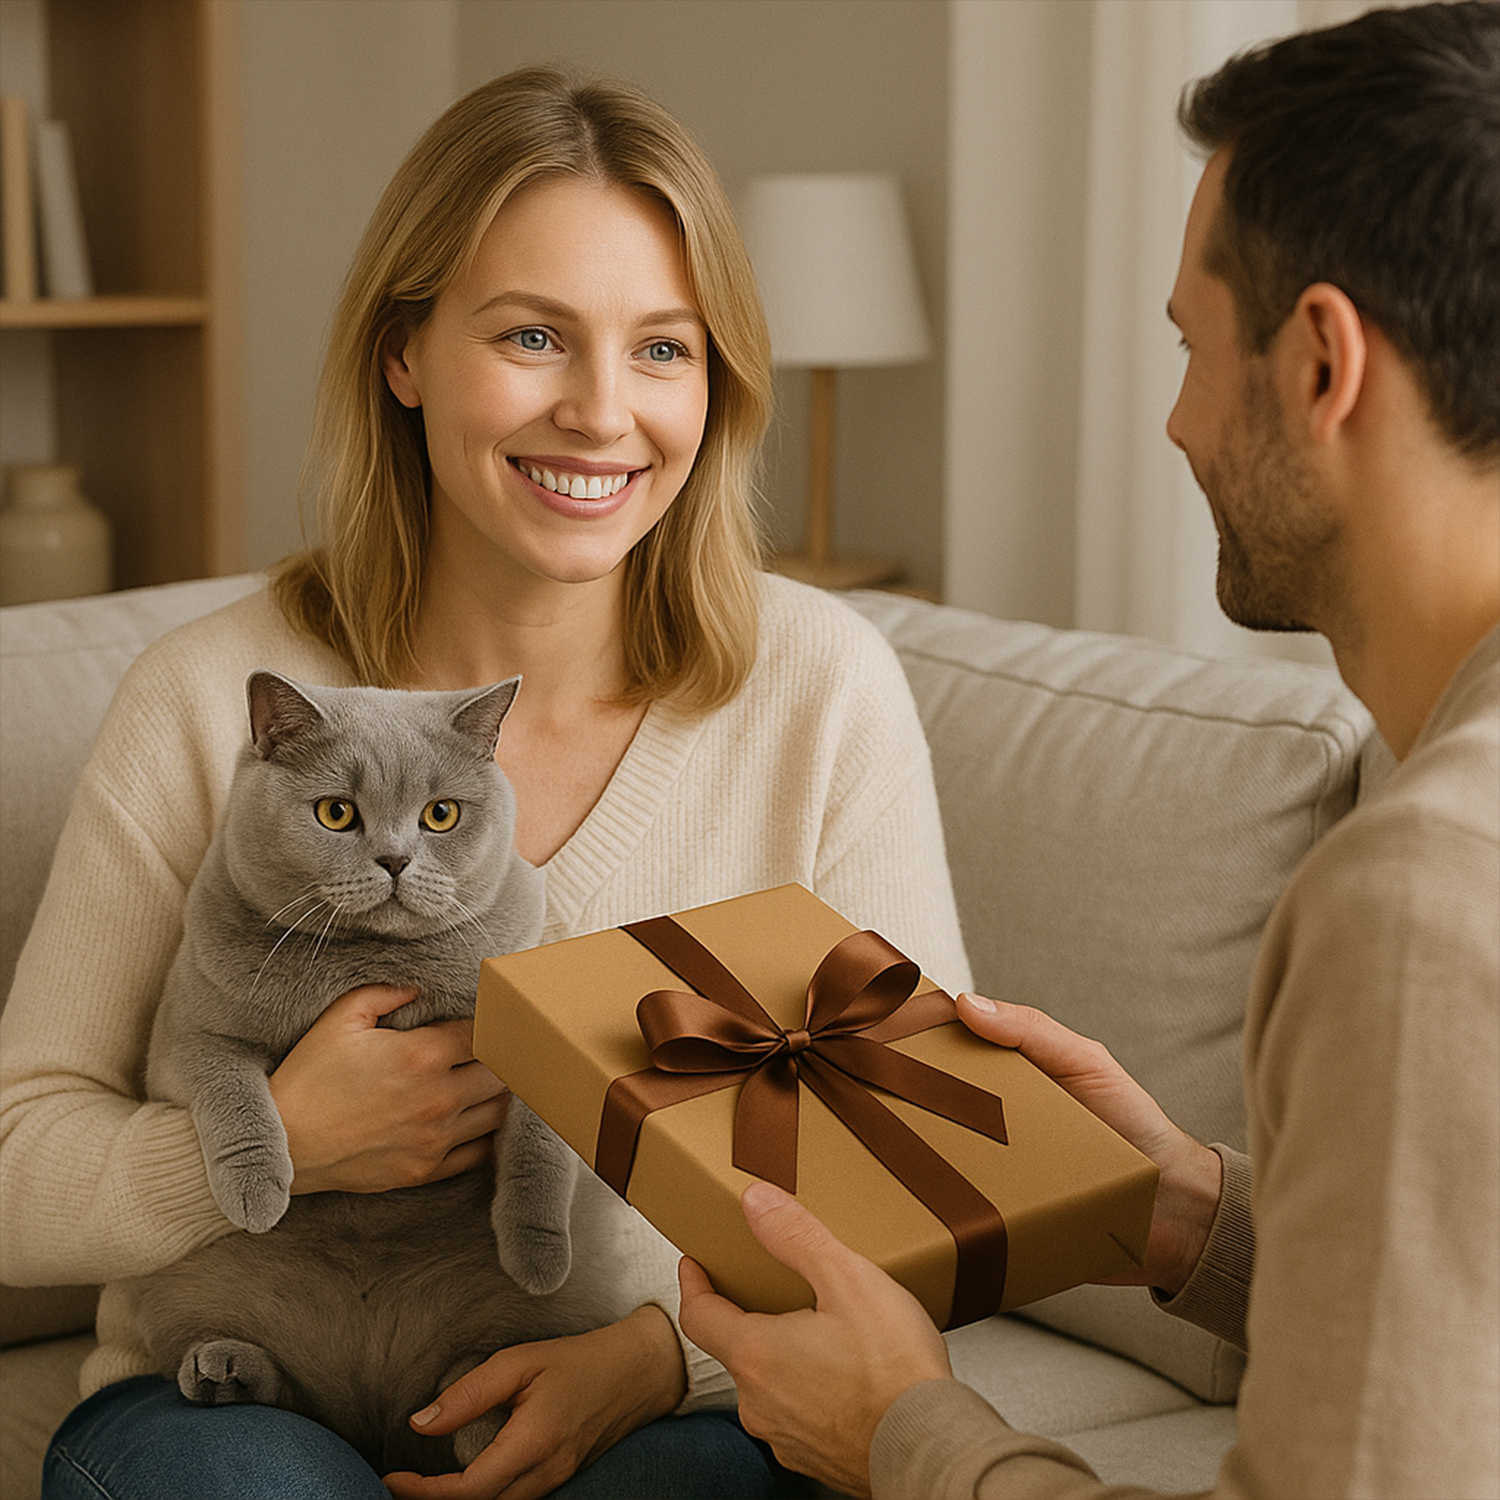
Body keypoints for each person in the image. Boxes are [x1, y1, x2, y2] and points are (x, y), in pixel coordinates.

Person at [0, 68, 971, 1500]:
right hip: (236, 1392)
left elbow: (927, 1173)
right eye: (531, 336)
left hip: (651, 1403)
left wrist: (658, 1357)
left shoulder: (819, 687)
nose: (599, 412)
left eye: (663, 350)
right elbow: (15, 1166)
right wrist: (284, 1150)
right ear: (405, 356)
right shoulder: (216, 700)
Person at [679, 5, 1500, 1497]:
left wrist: (904, 1434)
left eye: (1192, 347)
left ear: (1324, 364)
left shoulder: (1427, 900)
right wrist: (1181, 1206)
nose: (1177, 424)